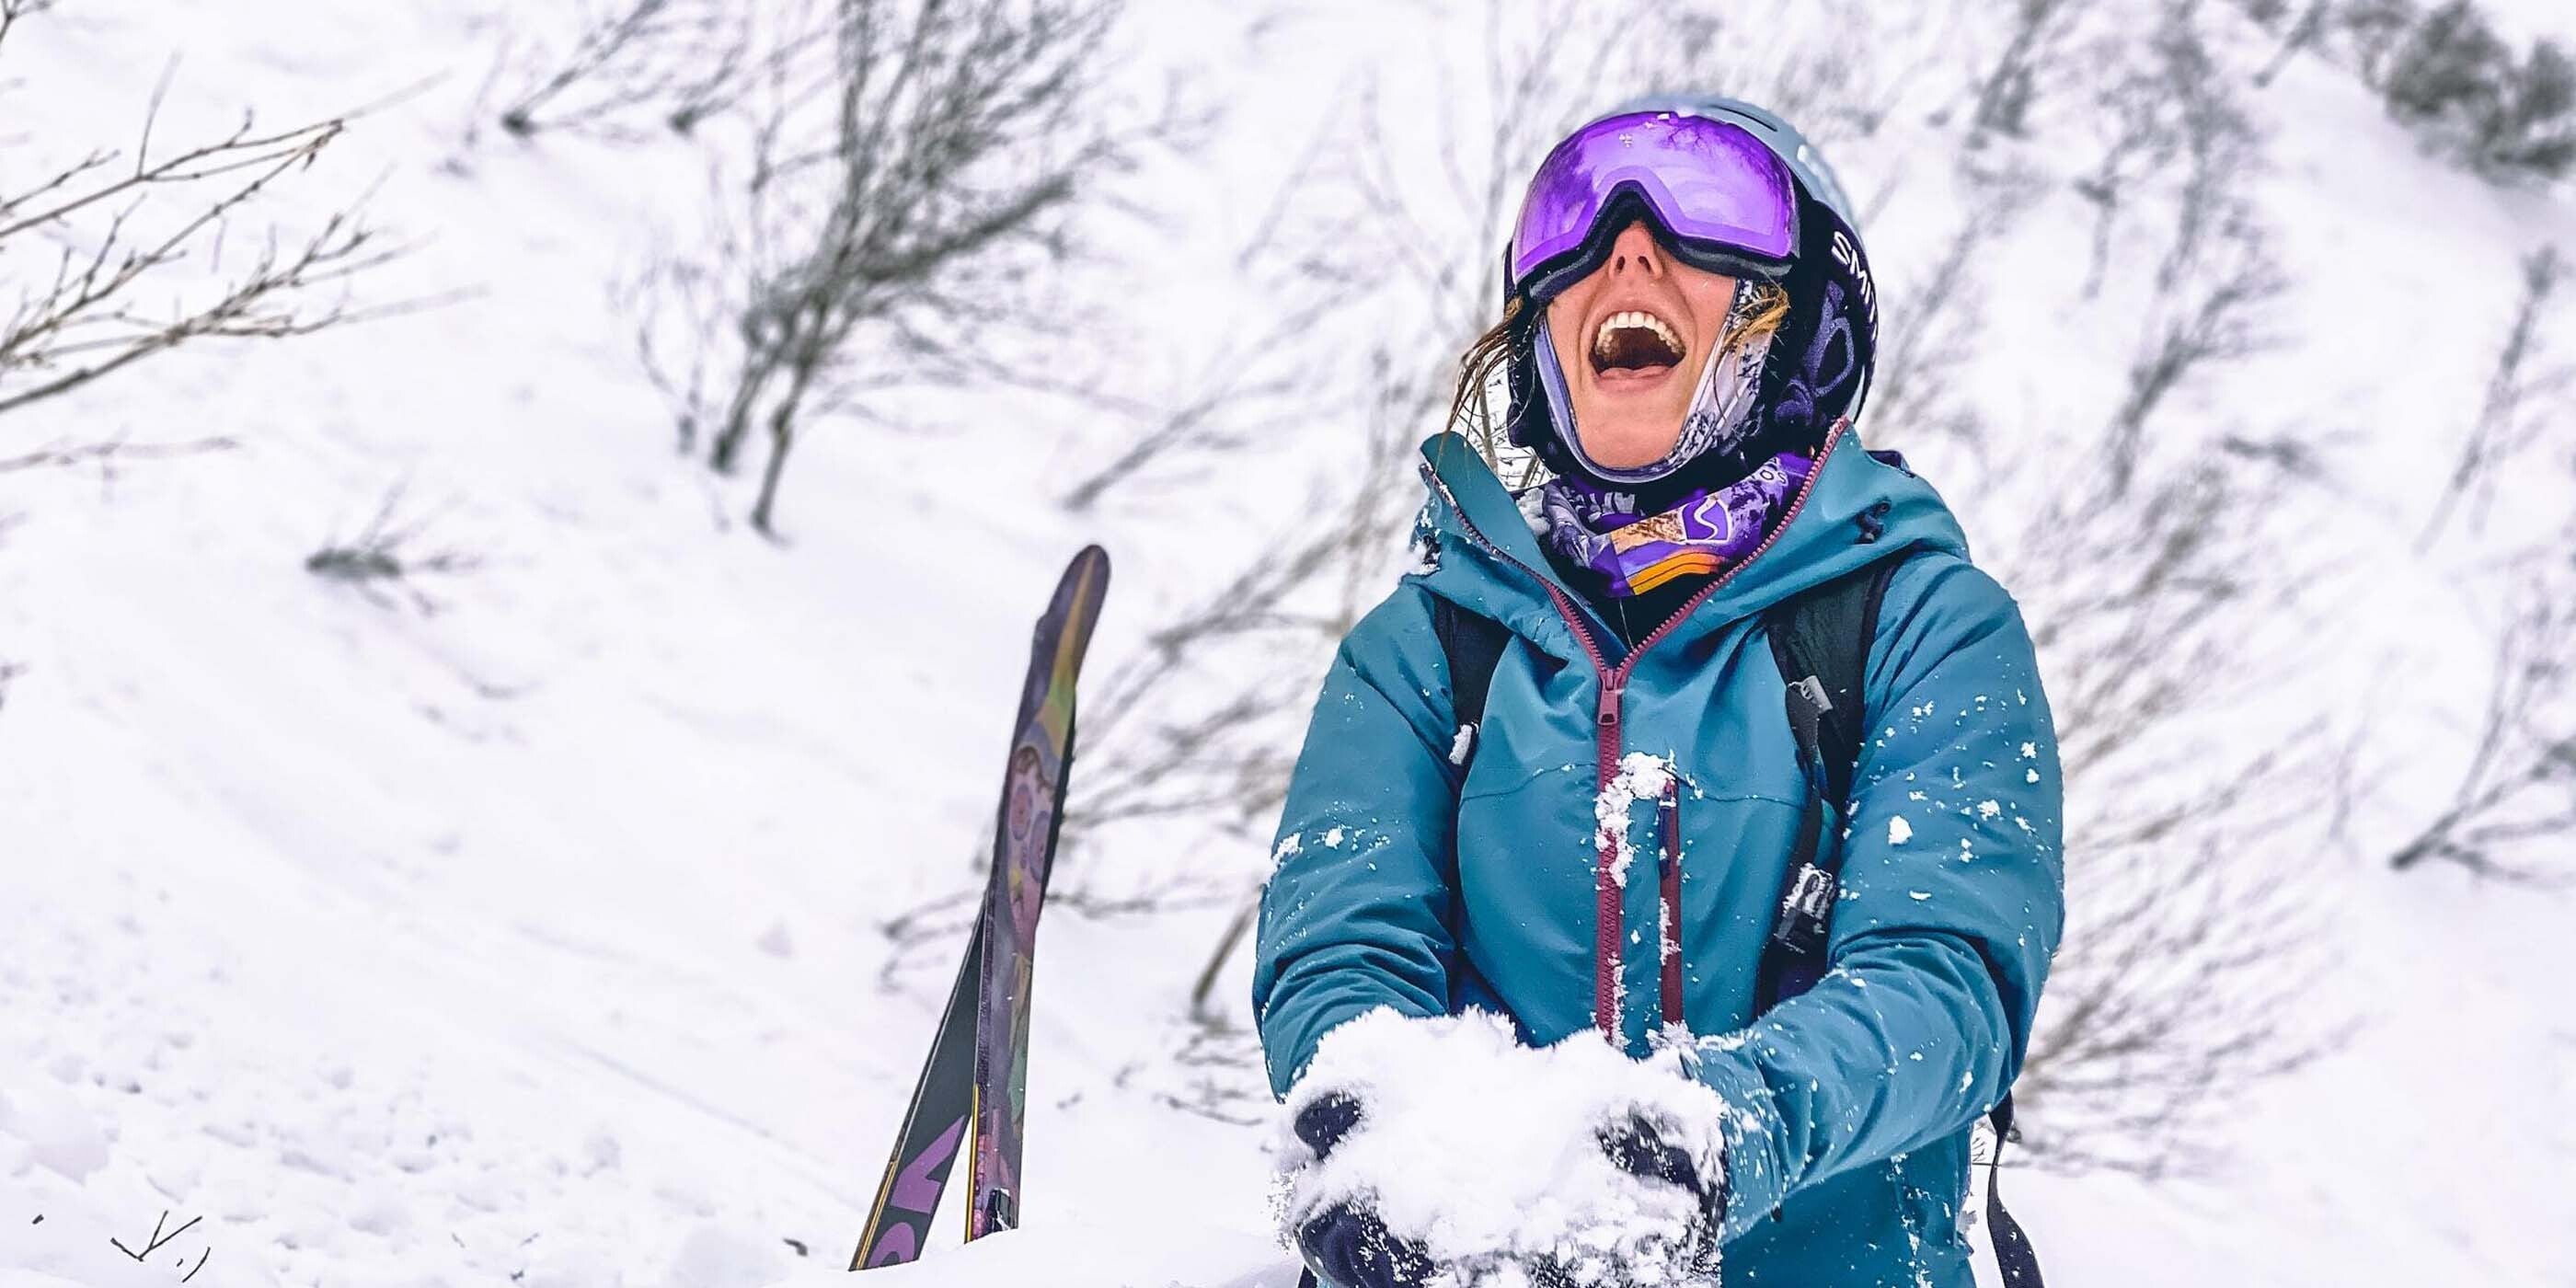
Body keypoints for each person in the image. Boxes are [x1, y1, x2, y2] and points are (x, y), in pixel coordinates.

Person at [1253, 96, 2064, 1288]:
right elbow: (1344, 942)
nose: (1624, 247)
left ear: (1800, 324)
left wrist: (1707, 1138)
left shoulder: (1923, 625)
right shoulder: (1423, 650)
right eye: (1570, 219)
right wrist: (1373, 1120)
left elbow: (1949, 980)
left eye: (1711, 213)